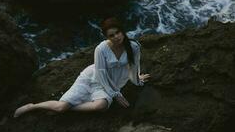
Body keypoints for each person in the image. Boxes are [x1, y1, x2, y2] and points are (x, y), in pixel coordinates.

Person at [13, 17, 150, 118]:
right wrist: (116, 94)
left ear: (122, 31)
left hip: (110, 84)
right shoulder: (101, 49)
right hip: (92, 78)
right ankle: (33, 106)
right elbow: (101, 73)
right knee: (60, 108)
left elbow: (133, 65)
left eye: (118, 32)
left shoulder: (134, 46)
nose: (116, 37)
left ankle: (70, 108)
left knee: (101, 106)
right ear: (106, 37)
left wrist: (137, 79)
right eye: (111, 35)